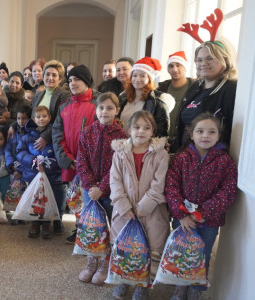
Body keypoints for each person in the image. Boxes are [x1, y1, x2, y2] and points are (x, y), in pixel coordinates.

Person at [165, 113, 237, 300]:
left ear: (218, 136)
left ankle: (196, 293)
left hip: (208, 223)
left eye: (211, 132)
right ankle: (180, 290)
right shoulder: (181, 158)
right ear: (192, 134)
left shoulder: (225, 161)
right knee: (181, 256)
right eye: (200, 131)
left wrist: (202, 213)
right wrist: (181, 214)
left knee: (201, 258)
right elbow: (171, 187)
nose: (205, 135)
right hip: (182, 220)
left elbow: (228, 191)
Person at [109, 111, 170, 300]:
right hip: (124, 212)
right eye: (136, 127)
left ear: (153, 131)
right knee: (125, 247)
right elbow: (115, 182)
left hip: (151, 211)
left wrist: (143, 207)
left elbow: (159, 185)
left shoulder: (161, 155)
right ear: (129, 130)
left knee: (148, 250)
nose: (141, 132)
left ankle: (143, 284)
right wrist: (124, 207)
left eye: (146, 127)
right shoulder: (119, 154)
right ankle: (123, 280)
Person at [76, 92, 127, 285]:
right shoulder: (87, 132)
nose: (104, 111)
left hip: (110, 192)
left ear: (117, 110)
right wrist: (90, 186)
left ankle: (105, 265)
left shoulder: (122, 136)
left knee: (108, 230)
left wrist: (102, 188)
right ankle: (91, 263)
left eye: (109, 108)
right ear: (95, 110)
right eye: (101, 108)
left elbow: (118, 168)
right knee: (93, 229)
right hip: (90, 191)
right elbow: (81, 162)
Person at [52, 64, 100, 243]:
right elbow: (58, 134)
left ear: (86, 81)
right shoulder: (64, 105)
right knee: (75, 196)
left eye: (77, 79)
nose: (73, 83)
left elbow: (99, 136)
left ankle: (91, 231)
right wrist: (67, 159)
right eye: (70, 80)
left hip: (89, 162)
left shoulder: (98, 103)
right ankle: (79, 227)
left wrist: (84, 161)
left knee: (90, 196)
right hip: (71, 161)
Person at [173, 40, 237, 152]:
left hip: (211, 161)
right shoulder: (195, 86)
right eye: (199, 60)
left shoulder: (231, 89)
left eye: (210, 58)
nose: (203, 63)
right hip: (185, 157)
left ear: (224, 60)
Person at [16, 106, 64, 239]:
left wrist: (48, 164)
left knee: (51, 199)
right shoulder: (26, 137)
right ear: (33, 119)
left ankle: (48, 222)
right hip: (33, 174)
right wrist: (32, 160)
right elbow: (20, 153)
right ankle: (35, 223)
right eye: (38, 117)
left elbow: (59, 152)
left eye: (44, 116)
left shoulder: (55, 134)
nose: (41, 119)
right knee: (35, 200)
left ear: (49, 118)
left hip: (52, 175)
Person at [118, 57, 174, 137]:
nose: (137, 79)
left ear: (150, 79)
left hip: (144, 147)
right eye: (134, 75)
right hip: (121, 145)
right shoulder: (122, 99)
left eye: (142, 76)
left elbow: (161, 135)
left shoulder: (158, 104)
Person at [31, 60, 71, 149]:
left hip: (54, 142)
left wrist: (45, 137)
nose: (50, 78)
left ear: (60, 79)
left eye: (54, 75)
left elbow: (60, 121)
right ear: (43, 76)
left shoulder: (65, 95)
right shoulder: (37, 96)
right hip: (36, 139)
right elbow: (33, 117)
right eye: (47, 74)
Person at [157, 51, 195, 143]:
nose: (174, 69)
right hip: (162, 139)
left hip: (185, 139)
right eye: (171, 66)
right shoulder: (161, 88)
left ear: (185, 67)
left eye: (178, 65)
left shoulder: (195, 87)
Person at [5, 105, 31, 180]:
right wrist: (12, 165)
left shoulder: (31, 134)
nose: (21, 121)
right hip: (15, 170)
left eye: (24, 118)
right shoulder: (13, 133)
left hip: (28, 170)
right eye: (18, 118)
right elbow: (8, 150)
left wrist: (20, 169)